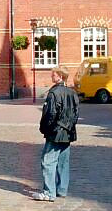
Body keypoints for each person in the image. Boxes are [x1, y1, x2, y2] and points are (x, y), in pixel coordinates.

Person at [32, 66, 79, 202]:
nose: (51, 77)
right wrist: (70, 127)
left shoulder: (54, 93)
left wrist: (45, 128)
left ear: (59, 76)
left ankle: (49, 192)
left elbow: (49, 114)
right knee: (63, 163)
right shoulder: (72, 93)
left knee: (47, 161)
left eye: (53, 75)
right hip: (68, 132)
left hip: (56, 132)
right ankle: (62, 189)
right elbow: (76, 114)